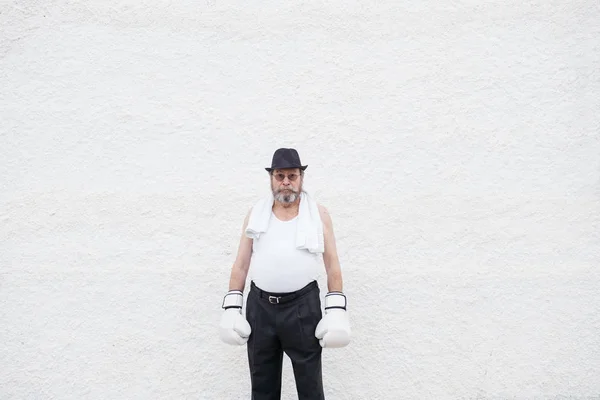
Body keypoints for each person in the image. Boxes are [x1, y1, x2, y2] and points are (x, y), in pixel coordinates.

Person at [218, 147, 351, 400]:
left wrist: (336, 311)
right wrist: (231, 309)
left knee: (310, 388)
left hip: (303, 308)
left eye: (292, 176)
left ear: (301, 178)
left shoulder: (318, 214)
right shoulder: (255, 214)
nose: (286, 182)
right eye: (280, 176)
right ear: (271, 179)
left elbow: (332, 264)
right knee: (262, 387)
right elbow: (241, 264)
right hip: (260, 309)